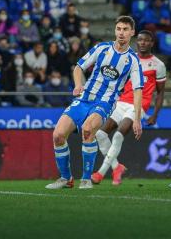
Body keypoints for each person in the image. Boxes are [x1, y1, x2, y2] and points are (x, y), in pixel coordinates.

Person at [45, 16, 144, 190]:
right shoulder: (101, 48)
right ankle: (66, 179)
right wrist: (77, 85)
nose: (121, 33)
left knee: (88, 129)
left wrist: (137, 118)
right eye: (119, 29)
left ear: (132, 32)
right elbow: (78, 67)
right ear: (115, 30)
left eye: (125, 29)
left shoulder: (133, 60)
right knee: (58, 136)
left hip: (105, 102)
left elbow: (138, 90)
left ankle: (86, 179)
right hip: (84, 99)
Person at [92, 30, 166, 185]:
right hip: (121, 102)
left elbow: (160, 93)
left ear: (152, 43)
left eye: (146, 40)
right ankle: (116, 167)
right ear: (136, 42)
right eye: (140, 40)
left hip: (139, 106)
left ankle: (101, 172)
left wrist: (155, 115)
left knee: (118, 135)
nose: (142, 43)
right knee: (100, 134)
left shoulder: (158, 65)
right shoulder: (128, 59)